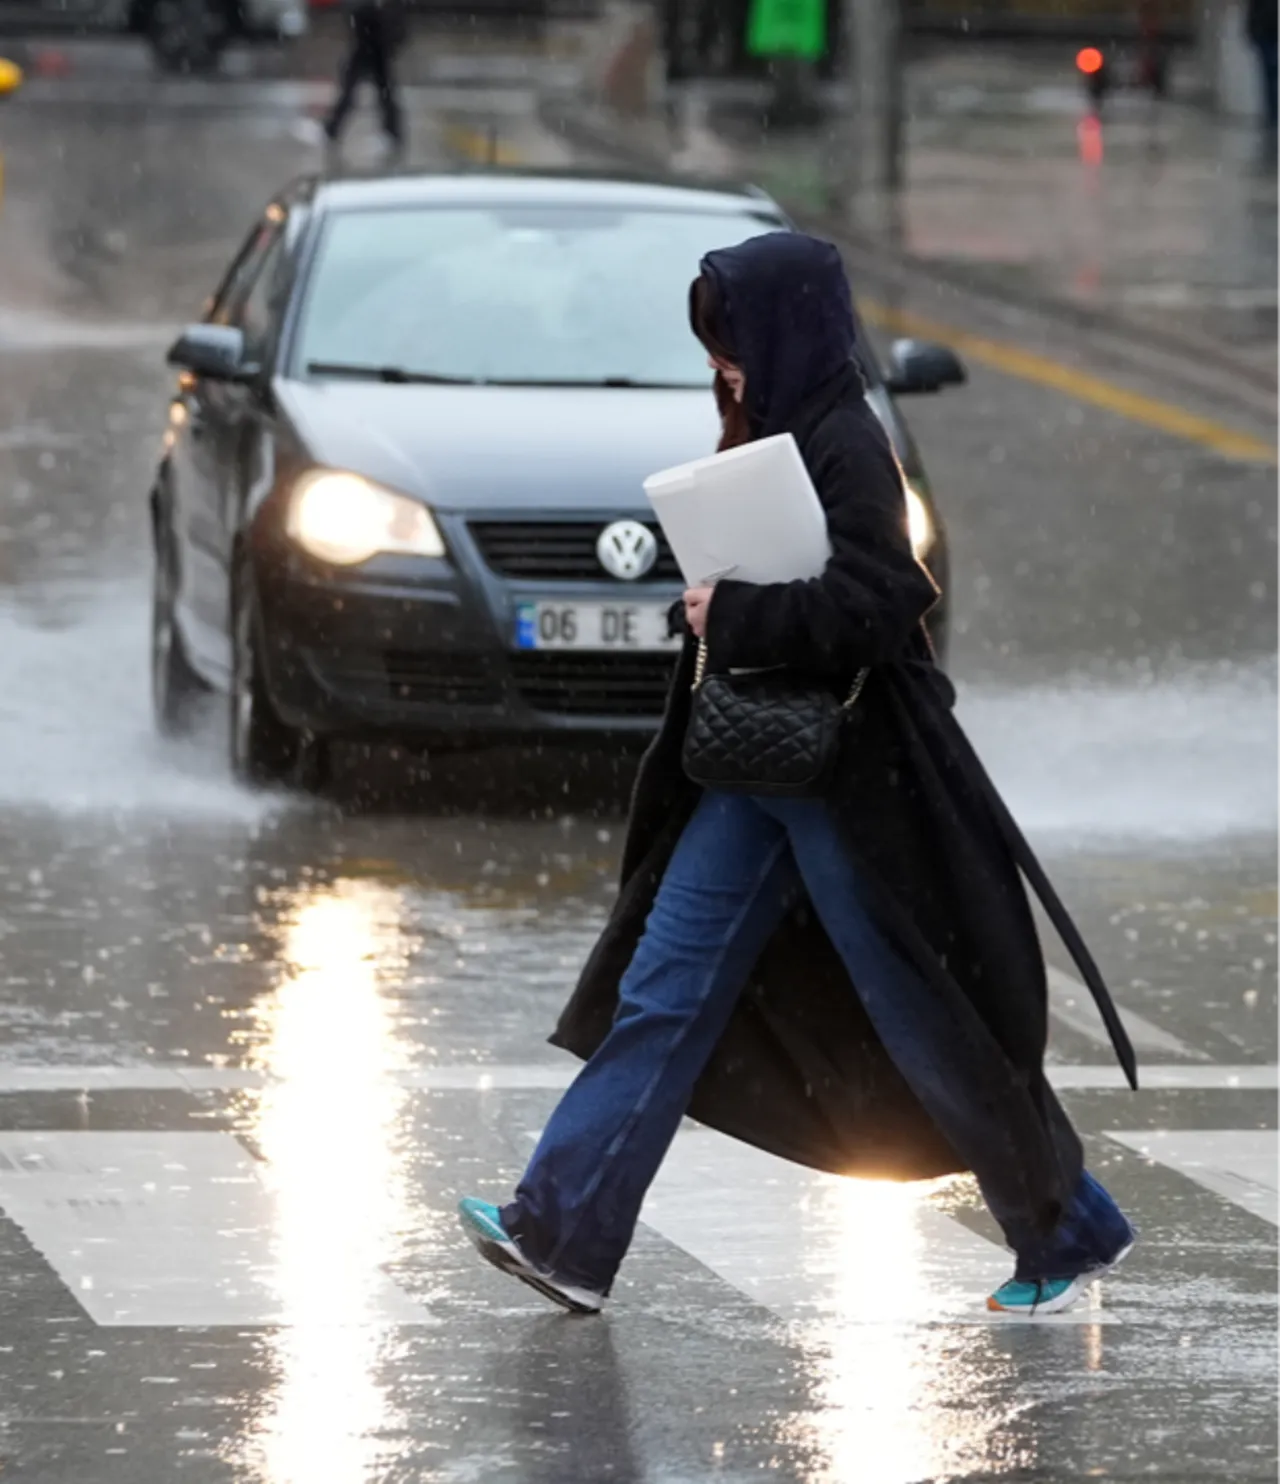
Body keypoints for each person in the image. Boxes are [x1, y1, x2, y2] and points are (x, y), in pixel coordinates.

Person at [458, 231, 1136, 1320]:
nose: (721, 367)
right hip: (756, 760)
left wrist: (732, 614)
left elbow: (879, 600)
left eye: (730, 343)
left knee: (919, 1006)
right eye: (712, 348)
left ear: (783, 332)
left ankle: (1063, 1226)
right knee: (663, 992)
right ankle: (563, 1231)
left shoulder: (846, 439)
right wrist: (715, 605)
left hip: (851, 781)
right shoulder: (777, 428)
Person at [323, 0, 406, 159]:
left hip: (374, 47)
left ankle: (332, 129)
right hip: (371, 46)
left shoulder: (380, 9)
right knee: (378, 92)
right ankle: (332, 129)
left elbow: (391, 22)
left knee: (375, 92)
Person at [1248, 0, 1280, 131]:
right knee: (1270, 76)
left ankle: (1274, 114)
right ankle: (1273, 114)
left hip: (1270, 34)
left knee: (1271, 76)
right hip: (1266, 34)